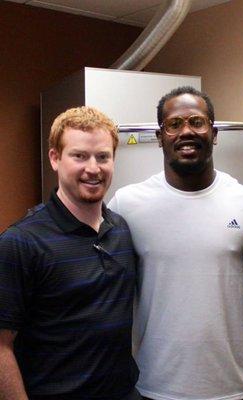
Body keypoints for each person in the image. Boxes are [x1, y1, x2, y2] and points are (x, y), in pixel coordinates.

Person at [108, 86, 243, 400]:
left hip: (233, 388)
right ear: (160, 136)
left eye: (197, 122)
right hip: (156, 387)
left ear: (213, 133)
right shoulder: (127, 204)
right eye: (174, 124)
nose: (186, 131)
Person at [0, 107, 141, 400]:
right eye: (79, 156)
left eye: (103, 157)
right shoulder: (21, 242)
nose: (93, 168)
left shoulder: (122, 231)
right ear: (55, 158)